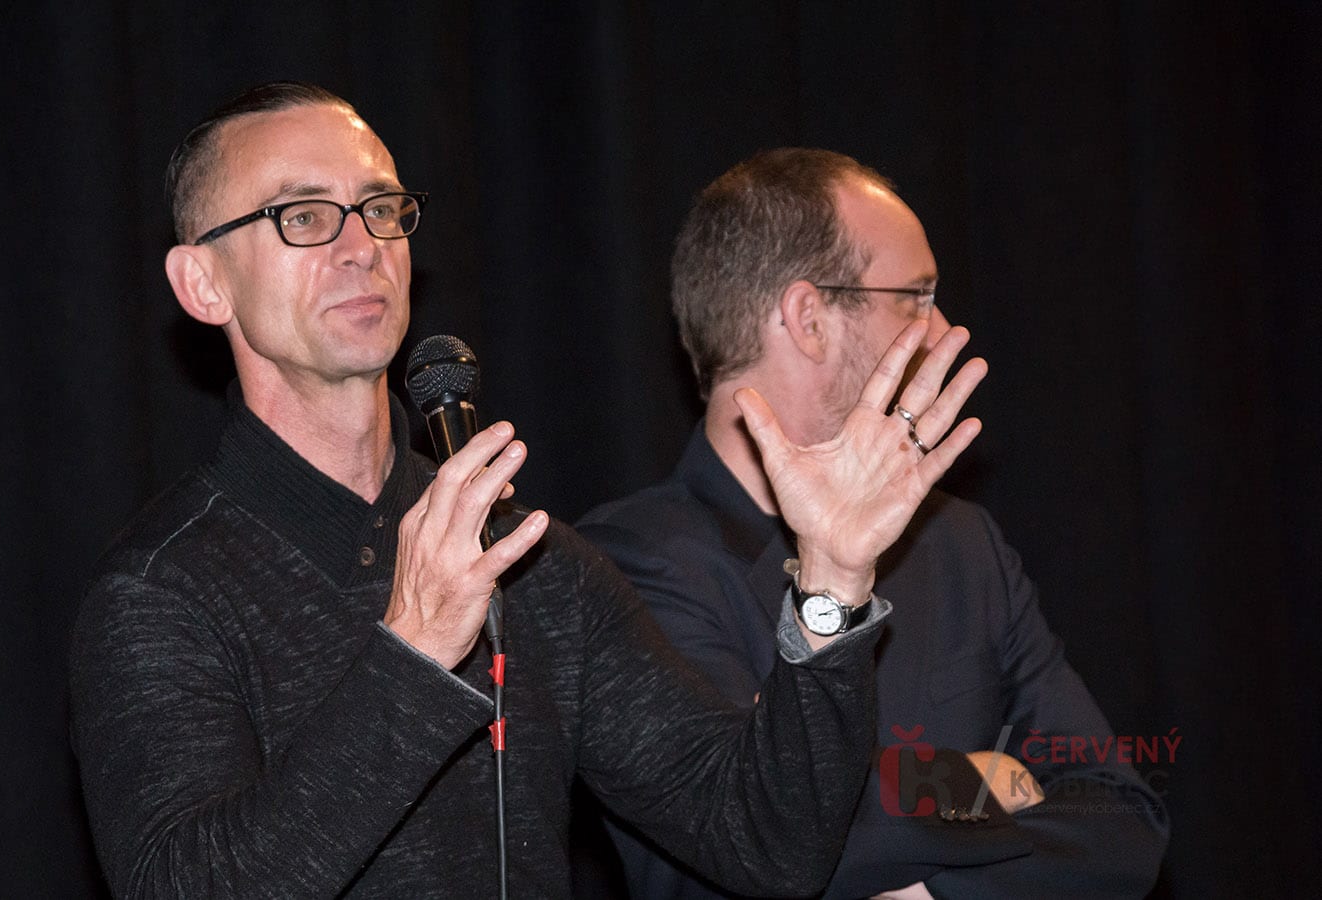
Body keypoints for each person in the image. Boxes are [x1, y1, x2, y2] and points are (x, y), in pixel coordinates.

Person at [67, 85, 988, 898]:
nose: (362, 247)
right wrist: (415, 652)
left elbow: (767, 841)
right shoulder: (162, 591)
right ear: (203, 284)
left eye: (381, 208)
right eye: (303, 216)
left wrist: (831, 583)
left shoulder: (529, 564)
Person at [578, 149, 1169, 899]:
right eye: (915, 296)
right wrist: (982, 778)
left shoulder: (961, 546)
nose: (943, 327)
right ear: (809, 319)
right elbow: (763, 838)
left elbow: (1121, 819)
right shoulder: (622, 568)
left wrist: (934, 896)